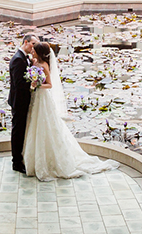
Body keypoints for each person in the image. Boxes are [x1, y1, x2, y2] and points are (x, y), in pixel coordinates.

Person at [23, 42, 119, 181]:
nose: (32, 51)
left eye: (34, 50)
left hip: (43, 98)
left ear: (39, 52)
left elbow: (50, 85)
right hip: (35, 99)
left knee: (46, 124)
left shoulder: (44, 66)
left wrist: (38, 84)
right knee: (34, 124)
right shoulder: (35, 62)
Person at [8, 34, 38, 173]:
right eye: (32, 43)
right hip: (19, 101)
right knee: (18, 131)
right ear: (25, 42)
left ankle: (20, 158)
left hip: (23, 100)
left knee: (21, 130)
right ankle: (16, 162)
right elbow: (18, 83)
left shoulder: (24, 58)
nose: (34, 46)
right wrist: (32, 85)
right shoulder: (18, 60)